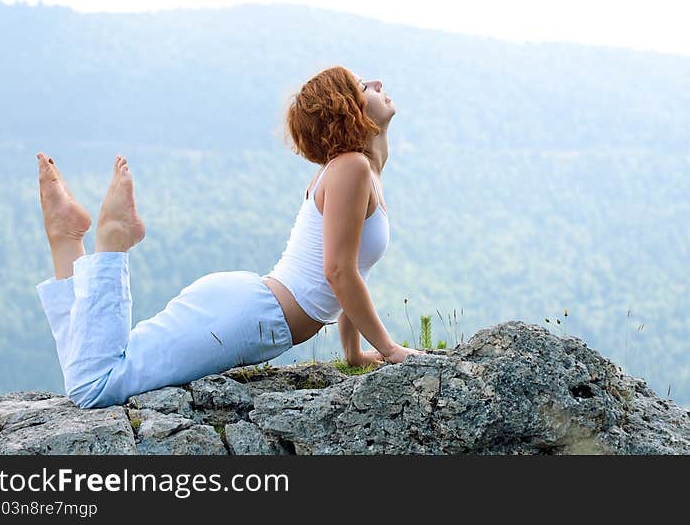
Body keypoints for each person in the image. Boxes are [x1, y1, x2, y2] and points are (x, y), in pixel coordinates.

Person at [35, 65, 423, 409]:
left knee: (98, 366)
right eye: (363, 86)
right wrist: (389, 350)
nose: (377, 82)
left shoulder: (357, 171)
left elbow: (353, 270)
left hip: (248, 309)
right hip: (251, 316)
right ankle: (112, 242)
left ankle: (65, 240)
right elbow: (339, 272)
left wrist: (354, 353)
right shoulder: (350, 169)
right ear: (348, 110)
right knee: (94, 386)